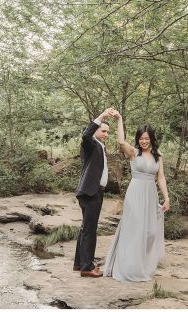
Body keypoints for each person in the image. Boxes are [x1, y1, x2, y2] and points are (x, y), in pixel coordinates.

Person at [103, 111, 170, 282]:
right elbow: (120, 141)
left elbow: (160, 177)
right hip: (135, 193)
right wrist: (119, 119)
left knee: (150, 232)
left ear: (152, 138)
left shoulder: (158, 155)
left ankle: (141, 264)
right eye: (141, 138)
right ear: (138, 139)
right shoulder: (133, 152)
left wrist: (167, 198)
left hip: (151, 194)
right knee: (135, 230)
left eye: (147, 138)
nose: (144, 141)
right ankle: (128, 266)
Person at [74, 107, 115, 278]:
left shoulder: (100, 146)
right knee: (90, 230)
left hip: (95, 192)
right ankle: (87, 267)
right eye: (103, 130)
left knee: (86, 228)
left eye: (107, 132)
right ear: (96, 130)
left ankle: (80, 263)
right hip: (90, 192)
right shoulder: (90, 143)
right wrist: (101, 116)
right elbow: (85, 135)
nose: (106, 134)